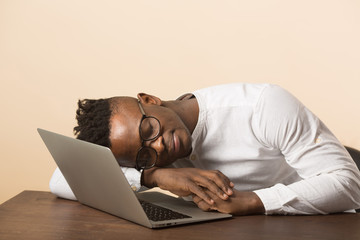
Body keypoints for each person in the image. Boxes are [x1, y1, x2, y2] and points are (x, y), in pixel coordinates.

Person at [50, 83, 360, 215]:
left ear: (150, 99)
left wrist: (253, 201)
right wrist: (155, 177)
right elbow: (60, 179)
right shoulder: (152, 161)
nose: (158, 145)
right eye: (145, 155)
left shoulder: (262, 105)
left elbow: (348, 185)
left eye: (149, 129)